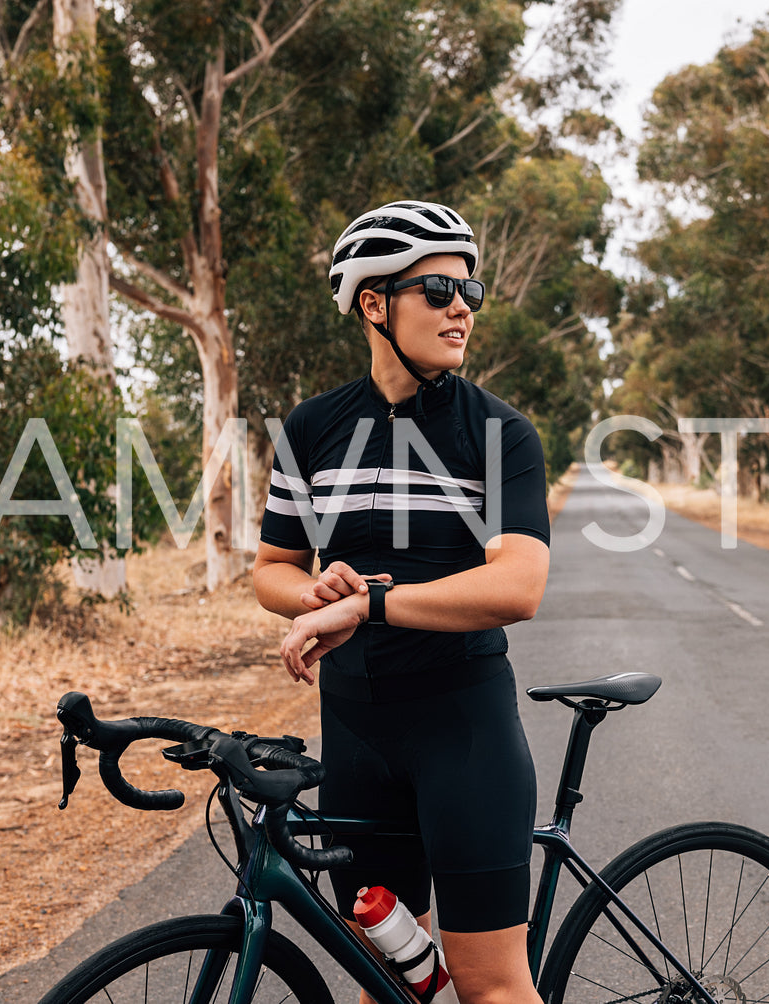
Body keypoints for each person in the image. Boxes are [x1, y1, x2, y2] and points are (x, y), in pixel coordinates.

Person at [252, 200, 550, 1004]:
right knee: (383, 985)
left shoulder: (499, 434)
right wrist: (314, 593)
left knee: (487, 985)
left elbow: (518, 585)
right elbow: (271, 568)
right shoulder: (311, 430)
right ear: (373, 305)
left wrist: (370, 606)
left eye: (469, 291)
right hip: (356, 734)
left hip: (464, 731)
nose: (462, 307)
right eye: (437, 290)